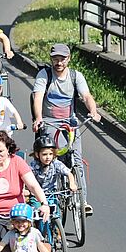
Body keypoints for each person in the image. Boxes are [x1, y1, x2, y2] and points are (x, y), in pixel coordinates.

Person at [31, 42, 100, 213]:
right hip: (49, 122)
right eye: (55, 59)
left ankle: (82, 202)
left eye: (62, 59)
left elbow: (86, 96)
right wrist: (39, 118)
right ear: (51, 59)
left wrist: (93, 111)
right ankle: (53, 196)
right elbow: (38, 97)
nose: (59, 62)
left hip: (70, 123)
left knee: (77, 160)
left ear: (68, 59)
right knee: (53, 159)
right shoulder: (44, 75)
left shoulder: (76, 76)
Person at [0, 130, 50, 244]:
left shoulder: (17, 162)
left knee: (27, 243)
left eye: (1, 151)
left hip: (18, 215)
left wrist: (44, 203)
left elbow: (33, 185)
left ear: (8, 149)